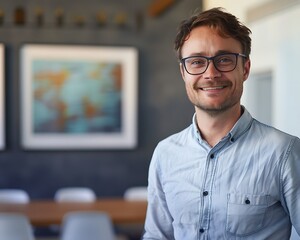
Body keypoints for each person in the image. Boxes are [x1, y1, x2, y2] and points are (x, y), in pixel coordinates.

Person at [142, 7, 300, 240]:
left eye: (224, 59)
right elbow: (157, 236)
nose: (211, 73)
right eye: (197, 62)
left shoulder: (284, 152)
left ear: (245, 69)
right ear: (184, 72)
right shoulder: (165, 154)